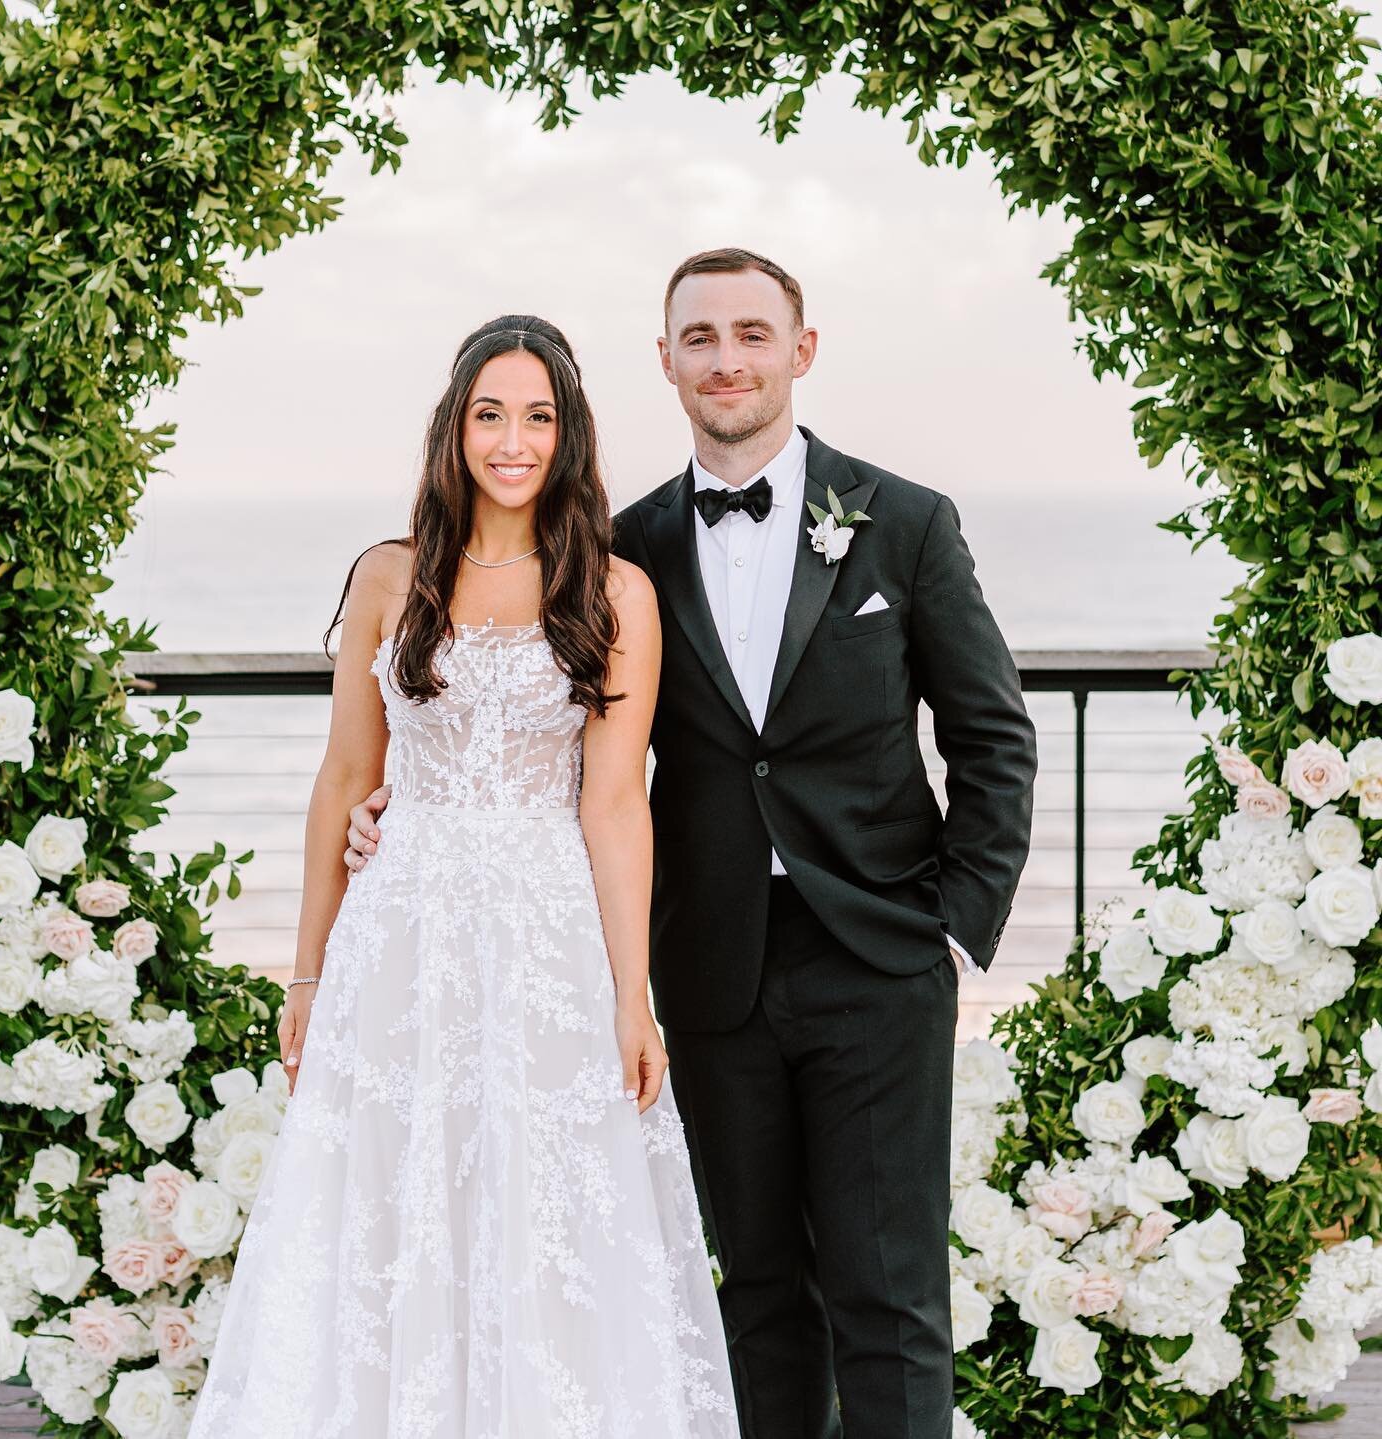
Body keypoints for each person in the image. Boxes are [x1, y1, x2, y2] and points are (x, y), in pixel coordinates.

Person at [345, 250, 1038, 1439]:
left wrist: (951, 930)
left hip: (878, 958)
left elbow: (992, 736)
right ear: (663, 360)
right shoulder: (617, 550)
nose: (728, 359)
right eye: (701, 337)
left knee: (892, 1296)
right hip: (708, 966)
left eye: (753, 334)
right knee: (756, 1293)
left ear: (800, 351)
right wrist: (397, 804)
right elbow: (556, 749)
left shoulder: (907, 523)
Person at [188, 316, 739, 1437]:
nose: (513, 439)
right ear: (455, 427)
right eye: (491, 413)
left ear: (568, 434)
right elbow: (347, 774)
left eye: (538, 416)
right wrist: (305, 973)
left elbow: (615, 801)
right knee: (388, 1203)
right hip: (403, 931)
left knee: (544, 1209)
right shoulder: (389, 575)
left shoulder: (616, 591)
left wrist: (632, 997)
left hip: (545, 938)